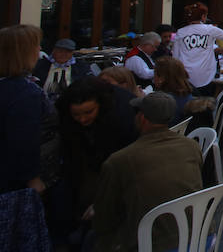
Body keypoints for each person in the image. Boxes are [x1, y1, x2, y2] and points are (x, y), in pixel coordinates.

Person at [92, 92, 203, 251]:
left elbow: (104, 218)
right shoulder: (192, 145)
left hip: (158, 244)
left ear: (142, 118)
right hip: (201, 234)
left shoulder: (120, 159)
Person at [56, 77, 137, 241]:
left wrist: (104, 202)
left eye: (88, 112)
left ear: (101, 105)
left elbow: (125, 165)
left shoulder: (122, 117)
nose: (83, 119)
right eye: (76, 114)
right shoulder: (68, 121)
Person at [0, 24, 48, 195]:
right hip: (13, 183)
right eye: (36, 45)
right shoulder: (25, 93)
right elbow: (24, 141)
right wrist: (32, 177)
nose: (40, 49)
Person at [172, 2, 223, 96]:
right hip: (205, 74)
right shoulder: (209, 29)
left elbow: (175, 56)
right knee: (205, 101)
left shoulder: (181, 32)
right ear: (203, 16)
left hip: (186, 75)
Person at [152, 57, 194, 125]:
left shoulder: (163, 102)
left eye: (155, 73)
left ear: (162, 78)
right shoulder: (186, 92)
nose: (153, 77)